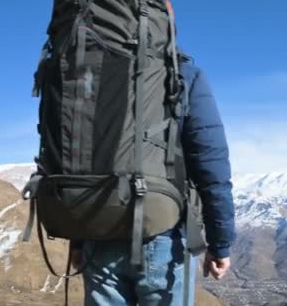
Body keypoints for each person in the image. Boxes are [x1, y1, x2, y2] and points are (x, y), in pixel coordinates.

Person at [71, 55, 236, 305]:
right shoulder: (184, 76)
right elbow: (212, 167)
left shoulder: (89, 75)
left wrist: (79, 238)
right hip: (163, 231)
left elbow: (78, 158)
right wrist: (219, 243)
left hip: (98, 230)